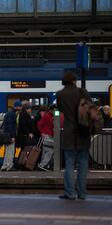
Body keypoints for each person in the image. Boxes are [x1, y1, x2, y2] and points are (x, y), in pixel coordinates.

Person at [56, 72, 91, 200]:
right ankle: (82, 193)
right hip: (83, 133)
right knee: (83, 165)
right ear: (74, 81)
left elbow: (60, 110)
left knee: (69, 165)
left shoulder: (60, 94)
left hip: (69, 133)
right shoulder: (83, 92)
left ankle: (70, 193)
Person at [1, 100, 22, 171]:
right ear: (17, 107)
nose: (21, 108)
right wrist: (12, 136)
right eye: (20, 106)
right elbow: (11, 126)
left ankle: (4, 166)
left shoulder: (9, 113)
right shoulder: (12, 114)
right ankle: (9, 166)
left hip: (6, 135)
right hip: (9, 136)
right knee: (11, 151)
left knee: (7, 151)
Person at [37, 105, 54, 171]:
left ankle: (43, 165)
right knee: (50, 151)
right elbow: (39, 124)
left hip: (49, 135)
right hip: (47, 135)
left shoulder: (50, 116)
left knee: (45, 151)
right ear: (51, 110)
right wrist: (42, 132)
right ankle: (43, 165)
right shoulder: (47, 116)